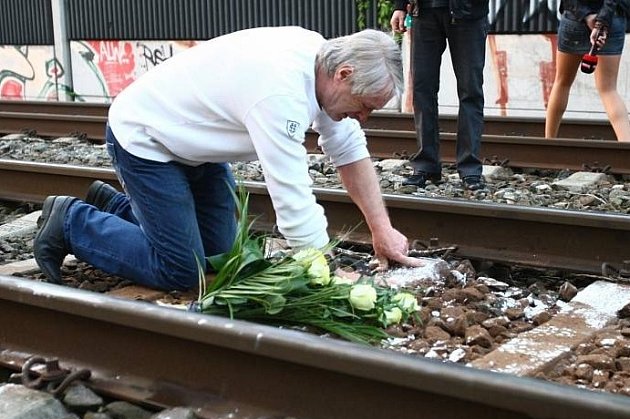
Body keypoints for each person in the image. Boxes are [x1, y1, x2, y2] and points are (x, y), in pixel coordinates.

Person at [33, 26, 423, 291]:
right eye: (365, 106)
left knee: (220, 256)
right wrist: (324, 270)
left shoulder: (322, 65)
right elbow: (291, 197)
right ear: (344, 74)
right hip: (147, 138)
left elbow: (351, 151)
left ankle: (116, 206)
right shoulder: (280, 92)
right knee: (182, 270)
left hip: (197, 147)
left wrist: (381, 229)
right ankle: (71, 221)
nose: (364, 118)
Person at [390, 0, 489, 190]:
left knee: (471, 92)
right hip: (424, 12)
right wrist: (400, 5)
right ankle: (426, 165)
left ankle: (470, 169)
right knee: (422, 91)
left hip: (468, 12)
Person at [545, 0, 630, 141]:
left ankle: (548, 144)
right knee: (608, 89)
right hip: (611, 19)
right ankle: (627, 150)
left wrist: (587, 16)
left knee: (562, 83)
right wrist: (601, 21)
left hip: (575, 19)